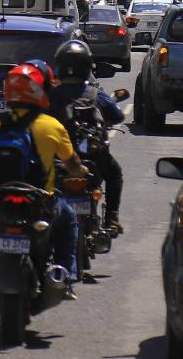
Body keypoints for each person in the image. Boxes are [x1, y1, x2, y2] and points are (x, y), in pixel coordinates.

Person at [0, 63, 86, 301]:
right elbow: (72, 164)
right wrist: (79, 170)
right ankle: (66, 274)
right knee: (69, 223)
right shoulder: (51, 125)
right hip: (42, 201)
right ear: (42, 91)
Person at [48, 41, 126, 234]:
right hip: (94, 155)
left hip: (59, 158)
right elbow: (117, 116)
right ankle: (112, 217)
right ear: (87, 66)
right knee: (114, 174)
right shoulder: (96, 94)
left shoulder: (51, 95)